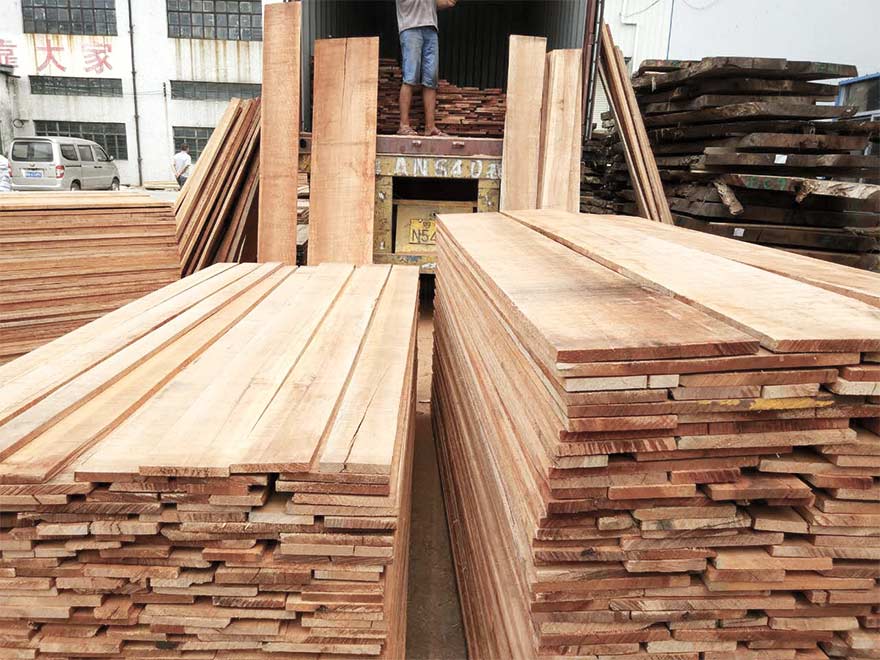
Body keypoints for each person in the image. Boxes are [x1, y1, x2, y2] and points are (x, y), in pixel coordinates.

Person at [396, 0, 457, 137]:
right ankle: (404, 125)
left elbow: (437, 3)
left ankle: (430, 127)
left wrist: (448, 2)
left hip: (431, 29)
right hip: (411, 27)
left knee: (431, 80)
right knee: (410, 77)